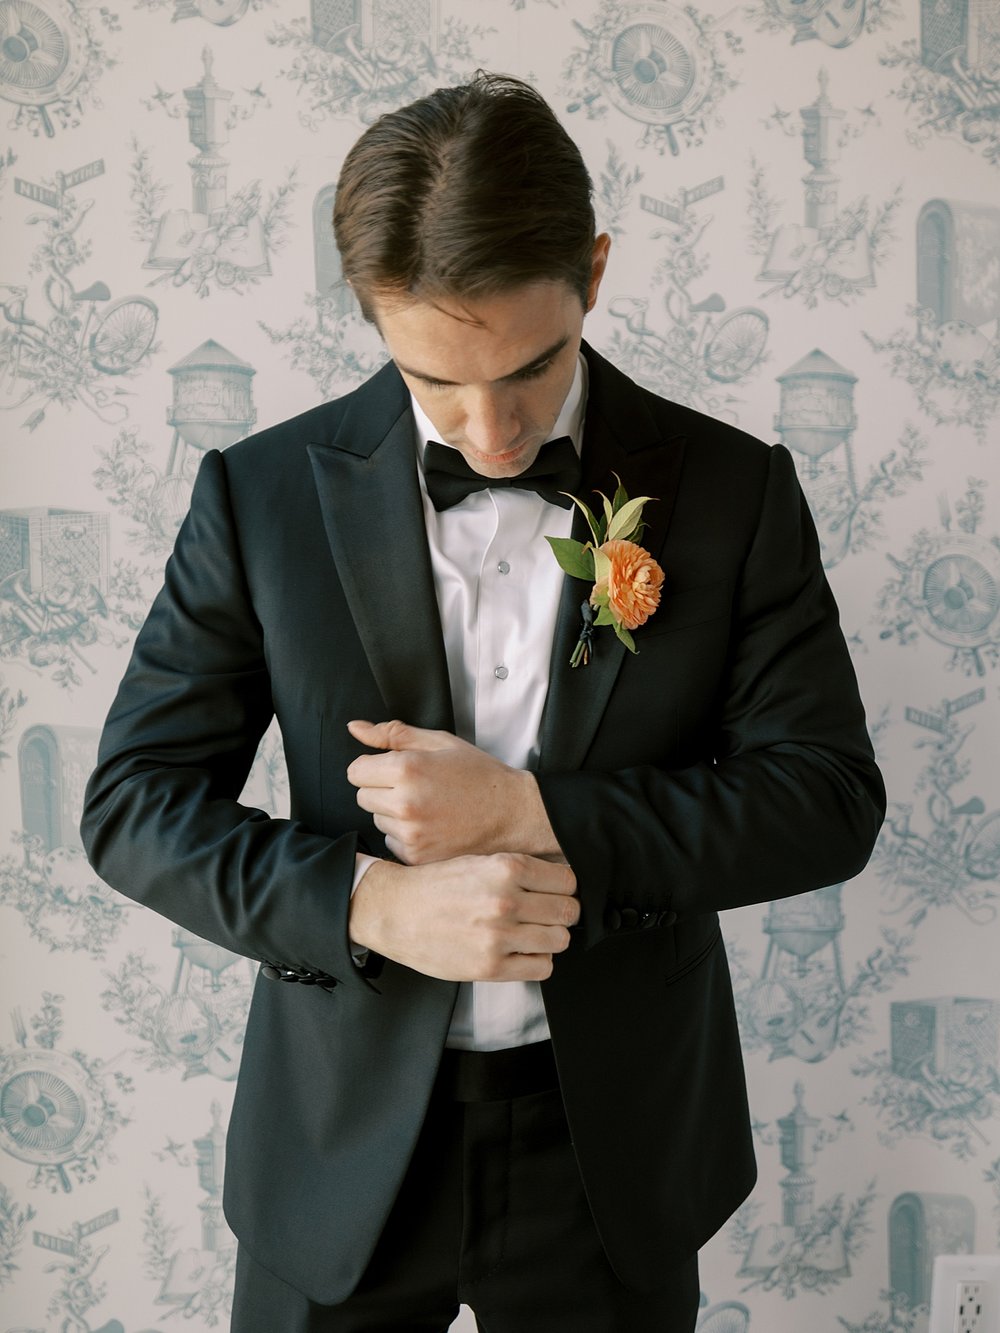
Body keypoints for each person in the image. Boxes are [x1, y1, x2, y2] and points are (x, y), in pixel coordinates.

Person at [81, 72, 885, 1332]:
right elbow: (132, 808)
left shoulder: (736, 490)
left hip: (610, 1151)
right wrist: (374, 901)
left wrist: (528, 812)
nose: (492, 431)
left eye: (527, 369)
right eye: (434, 382)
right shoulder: (259, 494)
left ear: (596, 272)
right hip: (334, 1151)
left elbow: (826, 803)